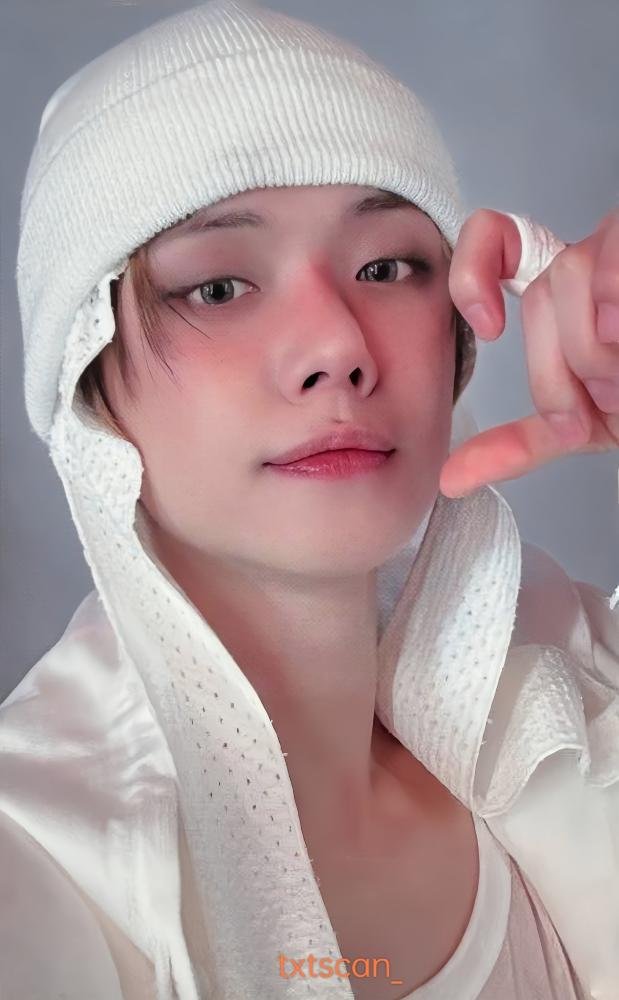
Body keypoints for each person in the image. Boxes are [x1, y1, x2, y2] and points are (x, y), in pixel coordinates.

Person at [3, 0, 619, 997]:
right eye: (218, 287)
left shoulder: (580, 694)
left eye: (386, 266)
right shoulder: (35, 862)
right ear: (86, 374)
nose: (337, 345)